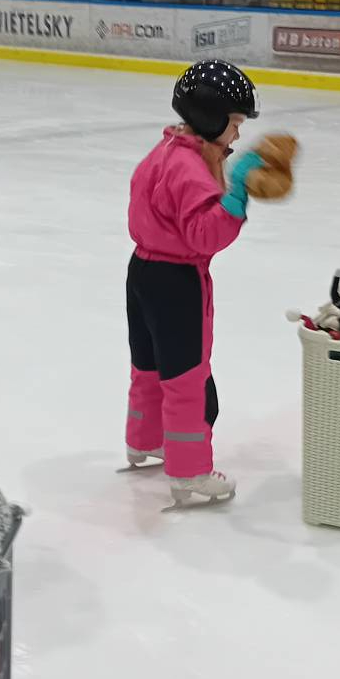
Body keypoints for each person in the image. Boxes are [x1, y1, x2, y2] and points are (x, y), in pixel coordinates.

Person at [124, 59, 264, 507]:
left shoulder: (166, 150)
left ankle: (144, 439)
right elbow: (204, 234)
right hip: (176, 282)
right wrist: (237, 196)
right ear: (210, 115)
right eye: (235, 124)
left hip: (142, 271)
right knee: (187, 378)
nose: (237, 135)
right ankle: (190, 471)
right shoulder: (189, 168)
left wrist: (221, 167)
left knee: (148, 365)